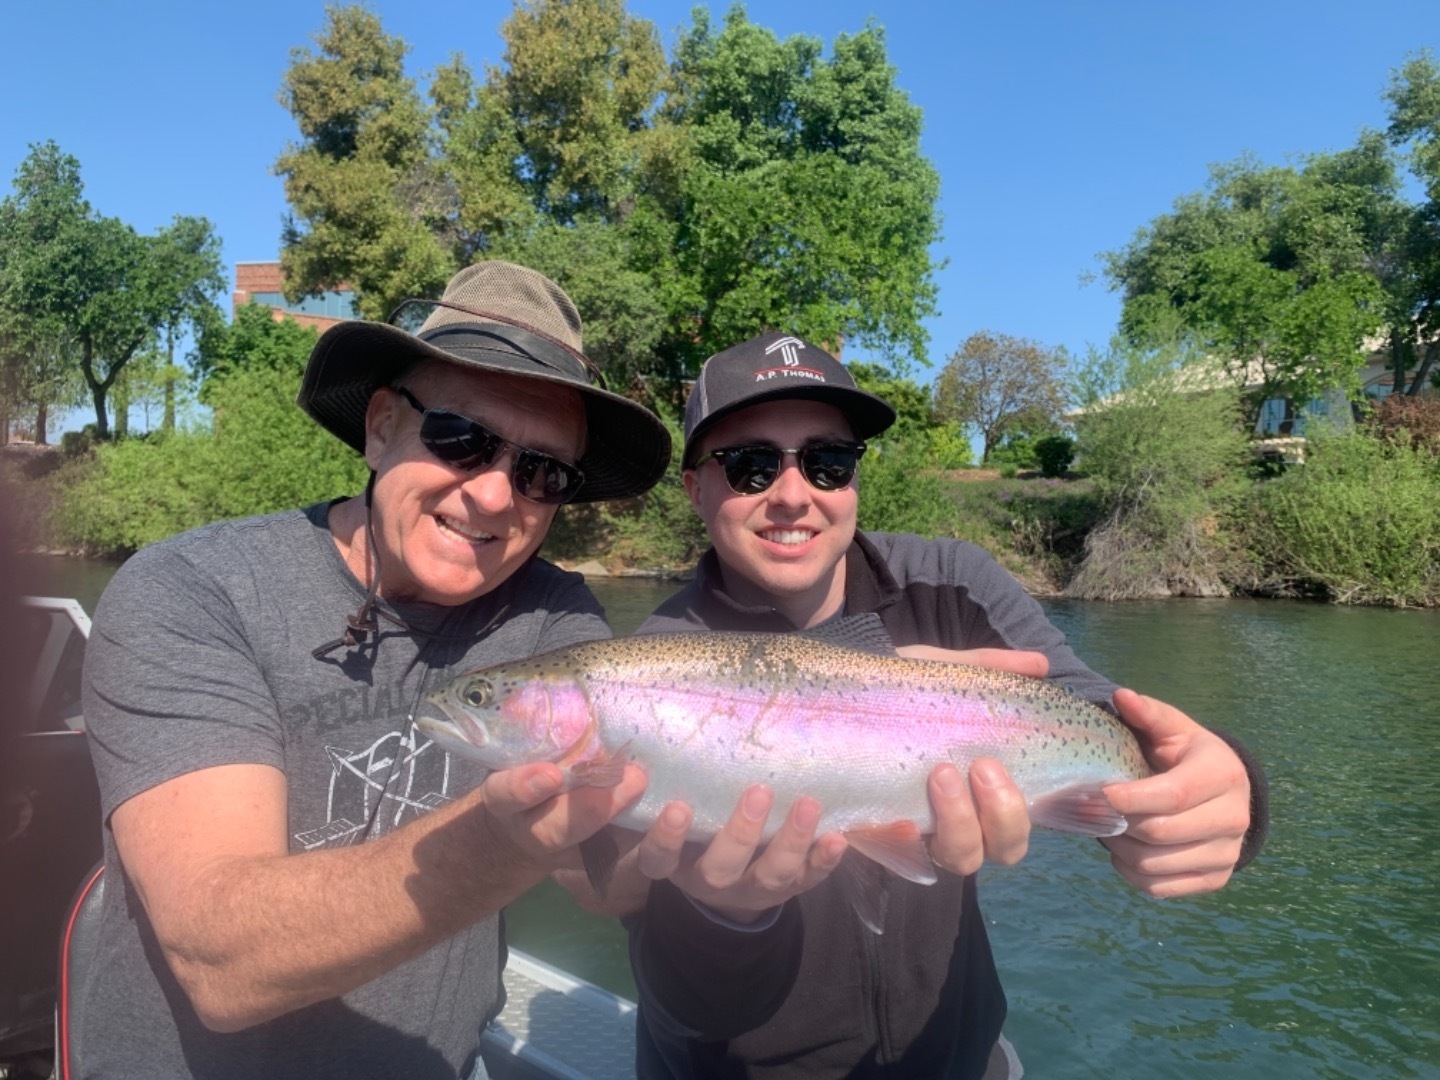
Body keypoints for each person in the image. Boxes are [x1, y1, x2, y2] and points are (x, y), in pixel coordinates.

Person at [572, 331, 1269, 1079]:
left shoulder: (951, 582)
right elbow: (675, 984)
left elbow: (1105, 721)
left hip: (958, 1060)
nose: (793, 494)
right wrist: (729, 914)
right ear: (694, 488)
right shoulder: (642, 677)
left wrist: (1216, 791)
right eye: (749, 465)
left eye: (827, 461)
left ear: (853, 480)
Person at [75, 262, 671, 1079]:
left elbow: (600, 877)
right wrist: (497, 840)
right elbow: (222, 962)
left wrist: (701, 866)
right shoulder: (194, 591)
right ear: (381, 425)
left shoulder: (554, 622)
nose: (496, 496)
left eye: (542, 472)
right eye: (463, 438)